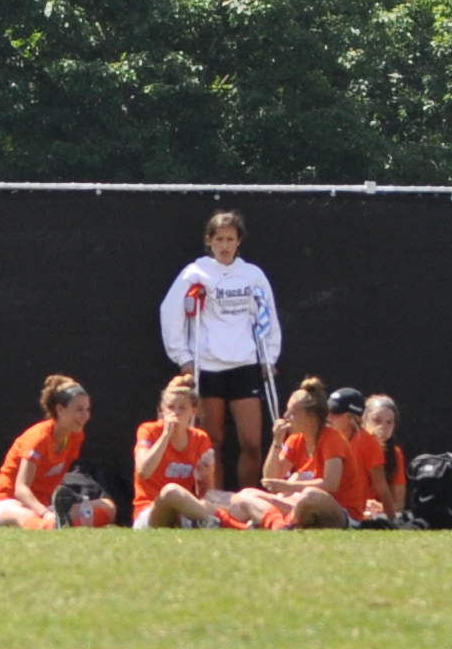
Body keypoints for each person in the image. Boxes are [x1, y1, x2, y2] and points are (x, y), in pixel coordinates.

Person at [158, 209, 283, 492]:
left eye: (230, 239)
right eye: (219, 239)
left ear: (239, 241)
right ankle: (215, 504)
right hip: (209, 365)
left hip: (246, 364)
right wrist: (183, 357)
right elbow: (170, 311)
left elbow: (268, 315)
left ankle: (249, 503)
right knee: (212, 440)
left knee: (251, 442)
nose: (225, 246)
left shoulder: (252, 275)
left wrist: (269, 357)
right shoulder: (196, 272)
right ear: (209, 241)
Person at [0, 377, 111, 526]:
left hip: (42, 507)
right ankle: (52, 524)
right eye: (79, 409)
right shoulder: (38, 438)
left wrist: (50, 511)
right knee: (26, 516)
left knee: (108, 507)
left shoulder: (76, 436)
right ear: (60, 410)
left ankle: (61, 524)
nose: (86, 416)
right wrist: (46, 514)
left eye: (87, 409)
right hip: (8, 504)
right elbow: (21, 489)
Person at [241, 379, 353, 528]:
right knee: (247, 494)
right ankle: (279, 525)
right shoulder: (296, 440)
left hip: (342, 513)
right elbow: (271, 478)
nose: (286, 416)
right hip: (304, 507)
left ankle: (274, 521)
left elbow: (330, 485)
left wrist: (288, 486)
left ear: (311, 419)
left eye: (292, 412)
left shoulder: (332, 438)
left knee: (309, 495)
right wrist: (276, 442)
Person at [133, 375, 230, 528]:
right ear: (162, 410)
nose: (176, 413)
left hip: (183, 512)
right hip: (149, 512)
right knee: (171, 492)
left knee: (236, 499)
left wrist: (206, 475)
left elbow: (206, 493)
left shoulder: (200, 438)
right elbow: (144, 471)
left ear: (194, 411)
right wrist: (166, 435)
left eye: (182, 408)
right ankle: (228, 524)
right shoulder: (149, 431)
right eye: (171, 407)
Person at [320, 386, 396, 526]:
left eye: (335, 414)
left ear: (351, 418)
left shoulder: (368, 442)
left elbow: (381, 487)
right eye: (328, 412)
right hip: (318, 501)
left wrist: (394, 522)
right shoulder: (323, 436)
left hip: (346, 513)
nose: (329, 417)